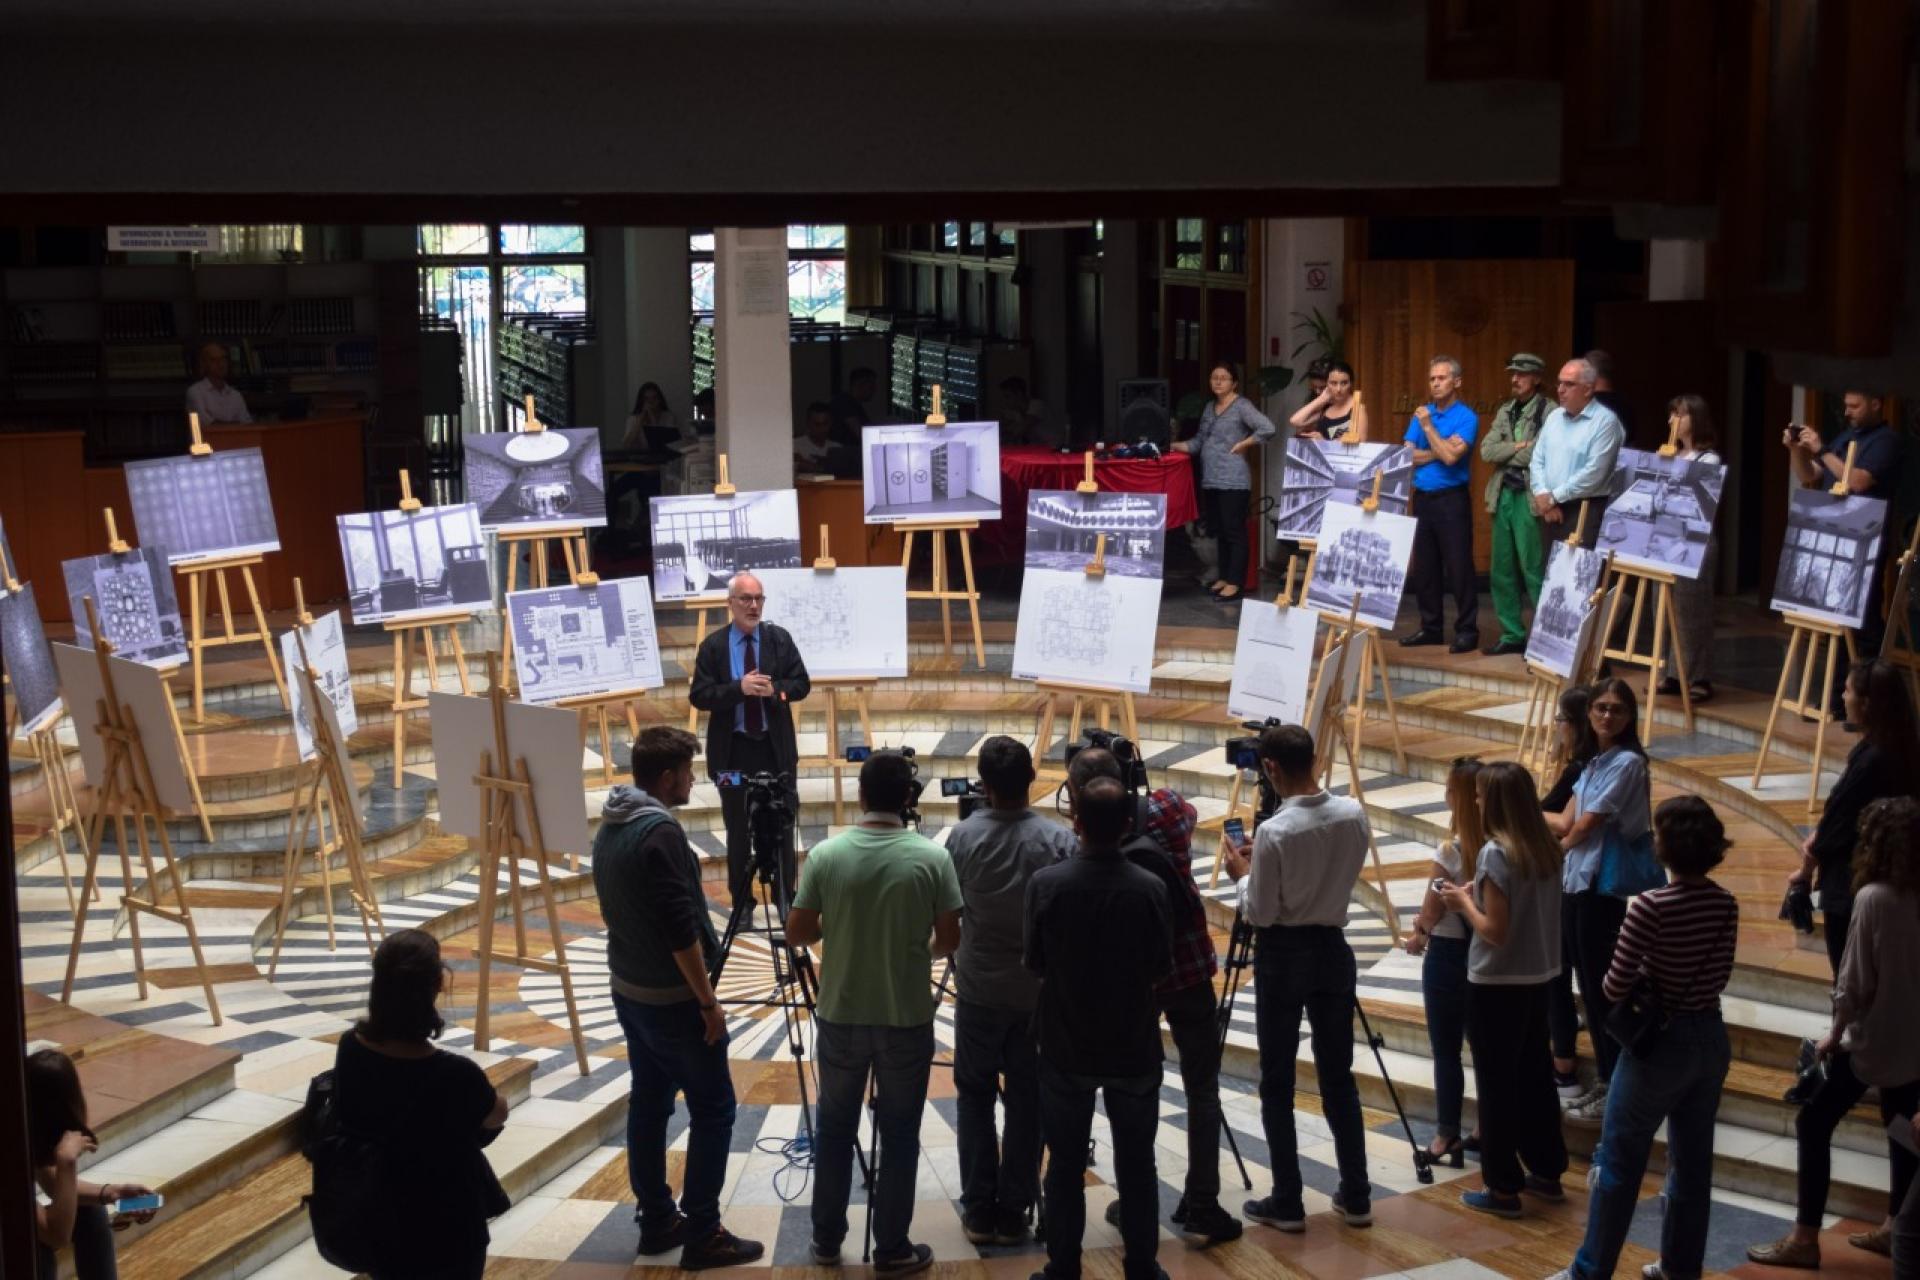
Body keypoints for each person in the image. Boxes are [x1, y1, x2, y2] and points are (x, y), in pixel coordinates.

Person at [591, 725, 763, 1269]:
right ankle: (704, 1232)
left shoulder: (612, 821)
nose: (694, 781)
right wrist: (708, 1002)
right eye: (689, 773)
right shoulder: (659, 834)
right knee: (714, 1109)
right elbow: (679, 928)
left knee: (649, 1102)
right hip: (670, 1000)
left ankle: (658, 1218)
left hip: (628, 989)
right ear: (668, 778)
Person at [786, 751, 962, 1277]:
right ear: (909, 800)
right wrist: (913, 948)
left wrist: (835, 933)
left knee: (835, 1128)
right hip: (906, 1017)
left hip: (840, 1014)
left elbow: (798, 931)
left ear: (860, 796)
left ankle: (824, 1240)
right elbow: (949, 939)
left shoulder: (826, 855)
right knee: (901, 1132)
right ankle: (891, 1248)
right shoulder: (933, 859)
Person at [1552, 796, 1739, 1280]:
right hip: (1709, 1036)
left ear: (1666, 847)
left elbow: (1612, 985)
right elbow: (1718, 976)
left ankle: (1590, 1271)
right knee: (1693, 1166)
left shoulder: (1650, 906)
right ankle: (1680, 1269)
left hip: (1659, 1046)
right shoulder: (1726, 904)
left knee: (1619, 1162)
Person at [1068, 751, 1242, 1247]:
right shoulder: (1165, 810)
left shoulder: (1084, 836)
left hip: (1133, 982)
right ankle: (1203, 1203)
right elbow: (1185, 810)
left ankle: (1137, 1199)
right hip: (1188, 968)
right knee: (1202, 1090)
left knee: (1133, 1094)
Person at [1750, 796, 1920, 1269]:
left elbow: (1854, 981)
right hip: (1914, 1042)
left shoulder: (1874, 898)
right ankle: (1894, 1226)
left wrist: (1835, 1032)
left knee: (1813, 1122)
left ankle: (1805, 1238)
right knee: (1902, 1129)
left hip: (1873, 1038)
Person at [1220, 723, 1374, 1231]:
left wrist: (1241, 874)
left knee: (1277, 1080)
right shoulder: (1354, 813)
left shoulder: (1275, 831)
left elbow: (1260, 912)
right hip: (1333, 947)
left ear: (1270, 769)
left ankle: (1287, 1199)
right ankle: (1356, 1193)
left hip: (1284, 954)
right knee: (1338, 1076)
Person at [1024, 775, 1173, 1280]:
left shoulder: (1047, 885)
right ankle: (1142, 1267)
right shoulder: (1152, 888)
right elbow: (1160, 966)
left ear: (1076, 823)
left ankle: (1063, 1267)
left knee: (1064, 1165)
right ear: (1128, 825)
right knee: (1138, 1165)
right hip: (1132, 1042)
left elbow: (1035, 961)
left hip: (1066, 1042)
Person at [943, 735, 1075, 1245]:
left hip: (978, 987)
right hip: (1036, 993)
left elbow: (948, 911)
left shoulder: (961, 838)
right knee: (1028, 1102)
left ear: (983, 785)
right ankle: (1014, 1209)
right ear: (1031, 779)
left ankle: (978, 1208)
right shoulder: (1058, 839)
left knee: (974, 1097)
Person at [332, 929, 511, 1280]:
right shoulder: (456, 1074)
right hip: (448, 1222)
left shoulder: (350, 1048)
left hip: (380, 1211)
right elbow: (496, 1113)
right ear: (435, 988)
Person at [1439, 761, 1569, 1219]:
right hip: (1539, 977)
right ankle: (1548, 1171)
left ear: (1492, 801)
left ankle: (1502, 1187)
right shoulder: (1546, 849)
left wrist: (1460, 902)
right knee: (1536, 1078)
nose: (1474, 802)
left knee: (1495, 1085)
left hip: (1496, 982)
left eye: (1478, 796)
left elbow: (1494, 930)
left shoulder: (1496, 852)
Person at [1544, 678, 1651, 1126]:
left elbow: (1586, 825)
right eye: (1601, 708)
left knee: (1600, 991)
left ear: (1630, 717)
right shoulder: (1594, 761)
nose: (1607, 716)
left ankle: (1614, 1084)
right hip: (1575, 884)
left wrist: (1555, 850)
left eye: (1617, 709)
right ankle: (1609, 1081)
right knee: (1583, 985)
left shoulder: (1627, 763)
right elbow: (1566, 816)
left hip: (1598, 889)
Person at [1786, 657, 1920, 973]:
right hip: (1889, 874)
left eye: (1847, 691)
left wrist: (1807, 865)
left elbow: (1841, 820)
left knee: (1851, 976)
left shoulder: (1873, 758)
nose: (1842, 697)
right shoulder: (1900, 746)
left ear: (1868, 702)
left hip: (1852, 882)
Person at [687, 572, 811, 908]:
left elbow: (801, 683)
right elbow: (699, 695)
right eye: (746, 599)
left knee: (782, 827)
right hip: (734, 753)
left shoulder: (778, 640)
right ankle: (742, 903)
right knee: (738, 832)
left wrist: (777, 691)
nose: (753, 606)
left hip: (775, 751)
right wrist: (736, 689)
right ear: (730, 604)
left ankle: (785, 897)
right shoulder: (713, 646)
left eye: (759, 599)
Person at [1784, 390, 1905, 706]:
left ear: (1876, 403)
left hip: (1865, 542)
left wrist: (1821, 448)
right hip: (1833, 536)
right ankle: (1837, 699)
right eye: (1845, 406)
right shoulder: (1845, 436)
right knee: (1835, 624)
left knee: (1862, 626)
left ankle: (1865, 702)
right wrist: (1797, 450)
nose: (1848, 412)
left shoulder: (1886, 441)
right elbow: (1809, 475)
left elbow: (1858, 481)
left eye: (1855, 406)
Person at [1402, 756, 1484, 1166]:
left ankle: (1446, 1134)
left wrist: (1418, 934)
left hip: (1451, 954)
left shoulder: (1451, 850)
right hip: (1488, 953)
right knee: (1484, 1046)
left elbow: (1432, 911)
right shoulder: (1501, 844)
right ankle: (1486, 1126)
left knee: (1447, 1050)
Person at [27, 1049, 160, 1280]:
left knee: (89, 1209)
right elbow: (56, 1235)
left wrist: (111, 1192)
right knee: (35, 1248)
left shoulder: (22, 1126)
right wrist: (66, 1161)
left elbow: (52, 1184)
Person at [1398, 355, 1481, 653]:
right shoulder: (1421, 413)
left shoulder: (1466, 417)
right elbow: (1407, 457)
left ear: (1456, 381)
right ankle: (1430, 628)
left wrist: (1430, 431)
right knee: (1425, 568)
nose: (1435, 383)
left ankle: (1468, 630)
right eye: (1432, 378)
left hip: (1452, 500)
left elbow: (1451, 458)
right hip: (1422, 499)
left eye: (1441, 378)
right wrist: (1440, 448)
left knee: (1459, 566)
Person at [1173, 361, 1275, 602]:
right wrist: (1174, 445)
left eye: (1223, 378)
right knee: (1220, 531)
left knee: (1234, 532)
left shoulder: (1242, 406)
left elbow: (1268, 428)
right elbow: (1198, 442)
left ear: (1234, 383)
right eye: (1214, 377)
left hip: (1234, 480)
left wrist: (1244, 444)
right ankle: (1225, 577)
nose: (1218, 382)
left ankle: (1236, 583)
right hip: (1211, 479)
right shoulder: (1210, 407)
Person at [1542, 685, 1598, 1099]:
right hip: (1577, 879)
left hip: (1578, 882)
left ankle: (1564, 1064)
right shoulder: (1588, 765)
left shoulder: (1583, 768)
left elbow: (1564, 823)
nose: (1556, 728)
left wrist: (1517, 801)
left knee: (1561, 973)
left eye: (1561, 720)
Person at [1479, 354, 1552, 656]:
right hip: (1503, 495)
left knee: (1533, 568)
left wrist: (1510, 451)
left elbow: (1538, 453)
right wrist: (1517, 447)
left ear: (1536, 378)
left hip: (1529, 495)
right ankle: (1512, 633)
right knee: (1501, 569)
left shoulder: (1550, 411)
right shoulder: (1505, 410)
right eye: (1512, 373)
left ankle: (1546, 638)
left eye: (1521, 374)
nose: (1514, 379)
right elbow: (1487, 451)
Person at [1659, 395, 1722, 703]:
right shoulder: (1670, 454)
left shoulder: (1707, 459)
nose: (1673, 420)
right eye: (1672, 414)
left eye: (1679, 415)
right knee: (1668, 607)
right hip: (1667, 538)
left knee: (1692, 610)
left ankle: (1699, 676)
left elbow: (1699, 499)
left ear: (1694, 419)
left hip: (1695, 539)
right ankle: (1672, 672)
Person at [1529, 358, 1625, 558]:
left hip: (1585, 509)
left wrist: (1553, 497)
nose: (1560, 390)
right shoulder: (1554, 416)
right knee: (1551, 578)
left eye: (1569, 384)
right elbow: (1537, 459)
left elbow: (1594, 473)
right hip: (1550, 508)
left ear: (1588, 389)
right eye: (1559, 382)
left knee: (1579, 581)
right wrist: (1543, 495)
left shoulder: (1605, 422)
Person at [1290, 359, 1368, 443]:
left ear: (1351, 384)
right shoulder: (1326, 407)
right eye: (1333, 383)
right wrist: (1321, 399)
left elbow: (1360, 441)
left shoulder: (1357, 408)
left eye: (1344, 383)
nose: (1338, 389)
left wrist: (1325, 441)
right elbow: (1295, 421)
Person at [184, 340, 250, 424]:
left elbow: (247, 425)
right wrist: (235, 424)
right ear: (204, 364)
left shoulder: (236, 395)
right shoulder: (195, 392)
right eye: (214, 360)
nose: (221, 364)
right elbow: (207, 424)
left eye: (223, 359)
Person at [621, 381, 679, 450]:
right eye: (646, 399)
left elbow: (666, 443)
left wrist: (653, 418)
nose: (651, 402)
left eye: (654, 398)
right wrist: (640, 420)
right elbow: (626, 445)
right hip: (641, 457)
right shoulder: (633, 419)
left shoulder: (669, 417)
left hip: (664, 457)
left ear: (660, 399)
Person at [829, 367, 878, 447]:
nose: (874, 390)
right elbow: (860, 433)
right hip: (844, 455)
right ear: (860, 384)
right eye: (871, 387)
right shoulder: (844, 402)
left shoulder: (853, 404)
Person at [996, 376, 1052, 446]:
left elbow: (1019, 430)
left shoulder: (1037, 406)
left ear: (1019, 394)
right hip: (1037, 449)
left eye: (1007, 396)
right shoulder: (1017, 412)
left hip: (1053, 448)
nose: (1005, 401)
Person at [793, 402, 847, 472]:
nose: (822, 429)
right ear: (808, 424)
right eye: (817, 424)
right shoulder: (794, 445)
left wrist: (805, 462)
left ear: (831, 423)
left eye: (825, 423)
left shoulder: (838, 448)